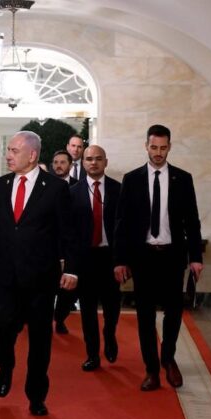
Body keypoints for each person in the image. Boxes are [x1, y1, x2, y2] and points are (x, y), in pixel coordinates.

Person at [0, 131, 78, 417]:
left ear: (32, 155)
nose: (8, 155)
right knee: (3, 328)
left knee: (40, 340)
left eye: (13, 150)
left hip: (41, 278)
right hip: (6, 276)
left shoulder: (56, 188)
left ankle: (36, 394)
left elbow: (69, 233)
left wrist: (71, 268)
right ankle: (6, 365)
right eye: (8, 150)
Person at [113, 124, 203, 391]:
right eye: (154, 147)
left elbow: (193, 222)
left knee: (174, 312)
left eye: (163, 148)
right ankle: (151, 369)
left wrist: (196, 257)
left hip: (172, 256)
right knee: (145, 315)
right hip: (143, 258)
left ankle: (168, 359)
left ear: (169, 147)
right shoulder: (132, 179)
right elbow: (122, 223)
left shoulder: (182, 179)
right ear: (146, 146)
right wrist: (120, 260)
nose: (158, 153)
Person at [70, 145, 121, 371]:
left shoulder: (119, 190)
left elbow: (125, 228)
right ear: (83, 162)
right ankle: (92, 353)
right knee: (87, 309)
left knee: (112, 306)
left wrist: (124, 260)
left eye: (98, 159)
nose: (93, 163)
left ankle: (109, 334)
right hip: (85, 258)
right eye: (89, 159)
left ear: (105, 162)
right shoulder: (72, 192)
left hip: (110, 257)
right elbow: (68, 232)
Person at [50, 149, 78, 334]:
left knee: (68, 291)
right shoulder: (46, 185)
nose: (59, 165)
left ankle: (60, 318)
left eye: (63, 162)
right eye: (56, 162)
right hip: (49, 245)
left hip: (71, 244)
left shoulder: (79, 186)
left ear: (70, 165)